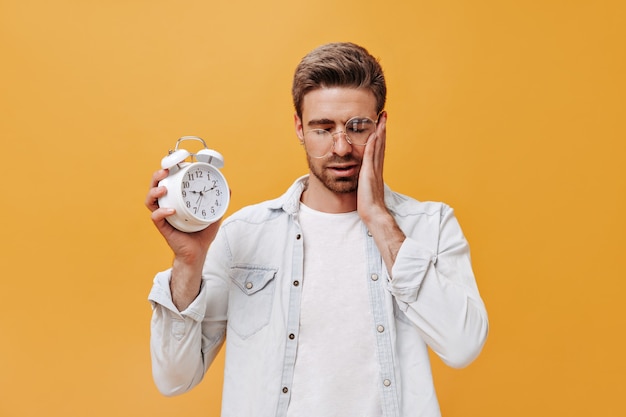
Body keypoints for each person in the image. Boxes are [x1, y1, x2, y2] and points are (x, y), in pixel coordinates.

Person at [145, 42, 488, 417]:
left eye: (357, 127)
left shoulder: (430, 225)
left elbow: (463, 345)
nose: (341, 147)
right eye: (323, 129)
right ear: (299, 127)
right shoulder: (243, 234)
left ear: (382, 126)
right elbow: (174, 378)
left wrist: (379, 218)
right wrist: (188, 263)